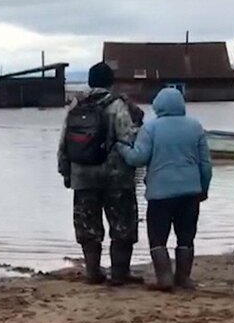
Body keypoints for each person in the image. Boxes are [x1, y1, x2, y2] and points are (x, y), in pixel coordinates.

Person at [118, 88, 213, 290]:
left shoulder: (151, 128)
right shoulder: (195, 127)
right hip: (190, 192)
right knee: (186, 237)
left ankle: (165, 279)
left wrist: (123, 148)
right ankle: (183, 278)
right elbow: (205, 164)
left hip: (160, 194)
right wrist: (203, 188)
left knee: (158, 237)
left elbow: (138, 158)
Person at [58, 62, 143, 286]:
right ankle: (119, 274)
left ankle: (92, 273)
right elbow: (128, 139)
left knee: (88, 227)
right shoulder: (117, 106)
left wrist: (66, 172)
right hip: (116, 177)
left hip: (82, 176)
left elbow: (64, 143)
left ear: (89, 81)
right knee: (122, 226)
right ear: (110, 82)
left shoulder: (76, 106)